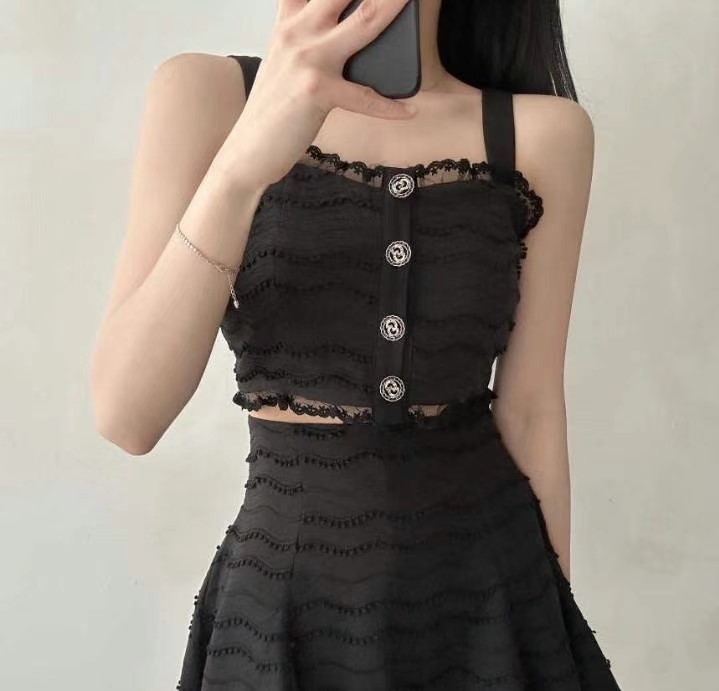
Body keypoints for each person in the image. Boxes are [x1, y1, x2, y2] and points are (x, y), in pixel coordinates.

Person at [89, 0, 622, 688]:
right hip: (283, 608)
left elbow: (531, 409)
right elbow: (127, 416)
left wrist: (548, 646)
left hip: (491, 603)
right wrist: (243, 167)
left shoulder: (541, 134)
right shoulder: (204, 96)